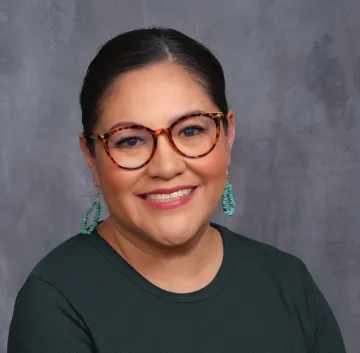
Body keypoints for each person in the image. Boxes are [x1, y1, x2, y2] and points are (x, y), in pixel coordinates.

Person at [7, 27, 346, 353]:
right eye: (130, 140)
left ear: (227, 136)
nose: (167, 167)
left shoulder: (289, 282)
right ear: (91, 157)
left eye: (190, 131)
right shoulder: (54, 304)